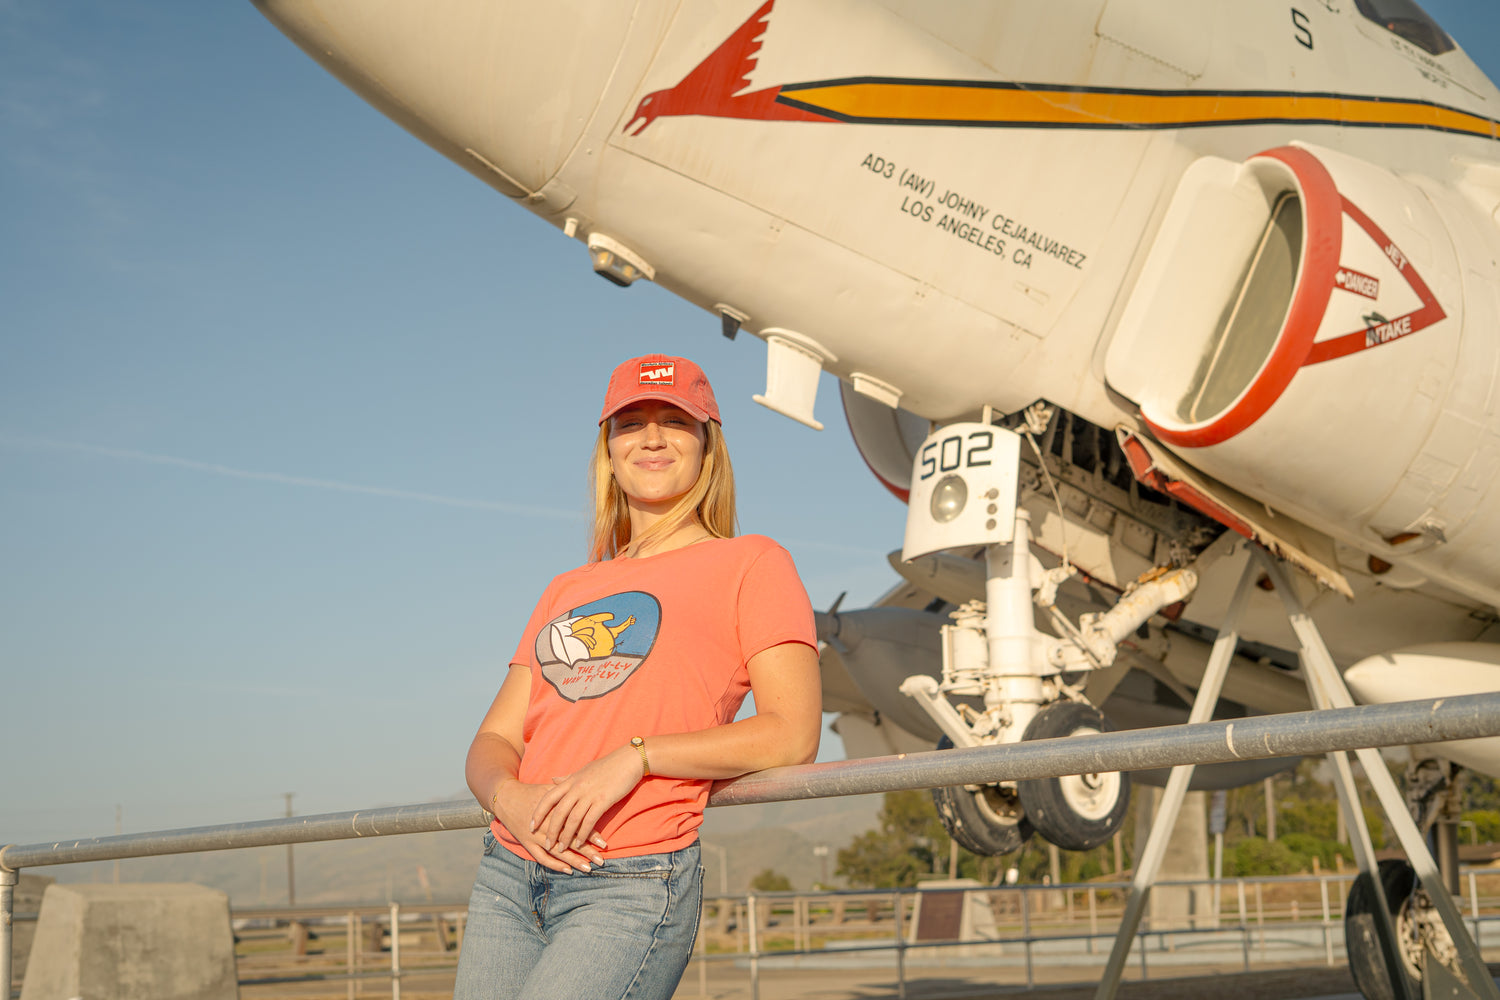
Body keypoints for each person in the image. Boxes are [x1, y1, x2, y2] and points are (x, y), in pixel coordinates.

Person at [452, 353, 822, 1000]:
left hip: (629, 881)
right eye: (631, 423)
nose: (652, 437)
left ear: (707, 446)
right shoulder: (567, 587)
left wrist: (638, 757)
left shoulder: (753, 563)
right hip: (508, 874)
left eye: (674, 420)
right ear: (609, 451)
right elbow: (495, 739)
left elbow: (792, 735)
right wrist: (508, 798)